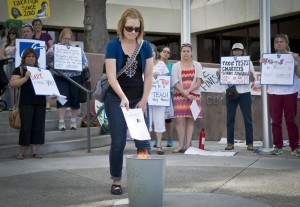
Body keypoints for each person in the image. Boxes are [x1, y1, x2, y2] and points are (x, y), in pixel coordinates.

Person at [104, 8, 153, 195]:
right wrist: (123, 97)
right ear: (122, 26)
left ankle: (144, 179)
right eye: (129, 28)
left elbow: (148, 75)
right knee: (118, 142)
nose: (133, 32)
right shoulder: (113, 45)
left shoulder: (145, 46)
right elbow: (111, 76)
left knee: (143, 142)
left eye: (136, 29)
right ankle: (116, 180)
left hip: (138, 98)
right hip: (116, 98)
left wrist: (144, 101)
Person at [260, 34, 300, 156]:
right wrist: (263, 64)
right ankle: (278, 146)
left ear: (286, 43)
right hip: (273, 93)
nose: (279, 43)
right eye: (276, 42)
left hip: (290, 92)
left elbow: (299, 75)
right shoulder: (270, 58)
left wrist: (299, 61)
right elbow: (266, 75)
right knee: (275, 121)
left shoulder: (293, 57)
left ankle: (295, 146)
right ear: (274, 45)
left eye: (281, 41)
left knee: (290, 120)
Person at [47, 28, 88, 131]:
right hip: (61, 77)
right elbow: (47, 62)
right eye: (65, 38)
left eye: (69, 38)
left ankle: (73, 122)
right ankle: (61, 123)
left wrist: (78, 66)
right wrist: (49, 57)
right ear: (61, 38)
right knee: (62, 98)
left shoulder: (77, 49)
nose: (67, 40)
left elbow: (85, 63)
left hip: (75, 77)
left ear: (72, 38)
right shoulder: (54, 48)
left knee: (75, 98)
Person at [216, 43, 255, 151]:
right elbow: (222, 80)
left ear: (243, 51)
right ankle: (230, 143)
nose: (237, 52)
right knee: (230, 118)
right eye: (235, 50)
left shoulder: (248, 62)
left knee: (248, 119)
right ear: (232, 51)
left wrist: (250, 75)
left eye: (239, 50)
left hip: (245, 92)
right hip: (231, 92)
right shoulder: (227, 62)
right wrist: (218, 74)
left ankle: (250, 143)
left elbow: (253, 79)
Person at [9, 48, 46, 160]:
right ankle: (21, 152)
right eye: (28, 56)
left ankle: (34, 152)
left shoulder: (41, 70)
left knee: (38, 127)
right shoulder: (19, 69)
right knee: (25, 127)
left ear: (36, 58)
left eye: (33, 56)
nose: (31, 58)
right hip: (25, 102)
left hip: (40, 102)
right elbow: (13, 84)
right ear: (24, 58)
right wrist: (26, 77)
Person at [171, 43, 203, 153]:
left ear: (191, 53)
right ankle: (180, 145)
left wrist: (188, 92)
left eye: (188, 51)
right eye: (183, 51)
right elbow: (174, 82)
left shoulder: (197, 65)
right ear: (180, 53)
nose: (186, 53)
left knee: (190, 120)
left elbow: (199, 80)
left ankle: (188, 145)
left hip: (194, 96)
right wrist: (184, 93)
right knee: (179, 120)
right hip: (179, 96)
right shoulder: (176, 66)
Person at [149, 44, 169, 155]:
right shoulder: (143, 64)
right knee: (147, 121)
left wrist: (158, 77)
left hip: (159, 98)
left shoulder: (161, 64)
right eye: (148, 51)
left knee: (159, 121)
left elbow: (166, 79)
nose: (151, 53)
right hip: (146, 97)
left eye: (152, 51)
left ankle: (159, 145)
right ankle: (146, 145)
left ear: (156, 52)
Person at [32, 18, 53, 110]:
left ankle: (47, 103)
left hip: (45, 62)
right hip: (34, 63)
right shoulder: (31, 37)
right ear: (33, 26)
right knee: (36, 82)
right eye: (36, 24)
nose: (38, 26)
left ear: (41, 25)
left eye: (39, 24)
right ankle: (37, 102)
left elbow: (51, 48)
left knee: (45, 82)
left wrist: (48, 51)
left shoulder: (46, 35)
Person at [0, 27, 19, 110]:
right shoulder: (5, 43)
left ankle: (15, 105)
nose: (11, 35)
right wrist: (6, 59)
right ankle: (6, 104)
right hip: (6, 65)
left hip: (15, 64)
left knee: (15, 84)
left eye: (13, 33)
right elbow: (1, 54)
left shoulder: (18, 43)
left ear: (16, 34)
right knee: (6, 84)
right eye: (10, 33)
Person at [160, 46, 174, 147]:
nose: (165, 53)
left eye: (168, 52)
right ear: (160, 53)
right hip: (156, 95)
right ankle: (158, 139)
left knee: (168, 119)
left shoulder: (171, 65)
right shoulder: (155, 64)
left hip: (168, 94)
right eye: (164, 51)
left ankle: (169, 139)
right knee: (157, 118)